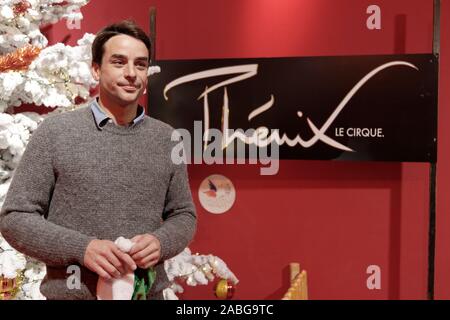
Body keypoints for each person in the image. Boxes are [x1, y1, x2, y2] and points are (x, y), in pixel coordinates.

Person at [0, 20, 197, 300]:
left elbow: (183, 214)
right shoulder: (56, 133)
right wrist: (82, 249)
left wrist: (160, 242)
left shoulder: (166, 138)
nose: (131, 73)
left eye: (140, 64)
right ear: (96, 68)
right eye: (119, 62)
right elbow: (15, 218)